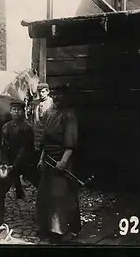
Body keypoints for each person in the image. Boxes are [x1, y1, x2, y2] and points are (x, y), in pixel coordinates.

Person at [35, 97, 81, 244]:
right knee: (44, 195)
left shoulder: (69, 116)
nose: (58, 100)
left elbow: (70, 143)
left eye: (62, 97)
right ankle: (46, 229)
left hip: (62, 162)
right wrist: (41, 159)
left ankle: (66, 231)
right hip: (48, 161)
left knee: (59, 196)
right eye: (56, 97)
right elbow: (45, 142)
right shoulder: (51, 115)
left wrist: (63, 161)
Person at [0, 99, 38, 226]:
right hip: (11, 164)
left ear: (23, 112)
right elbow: (2, 146)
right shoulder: (6, 126)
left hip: (27, 164)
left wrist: (15, 165)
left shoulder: (27, 127)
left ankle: (44, 219)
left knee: (42, 187)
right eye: (14, 110)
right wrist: (1, 162)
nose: (16, 112)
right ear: (11, 111)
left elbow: (24, 149)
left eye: (19, 110)